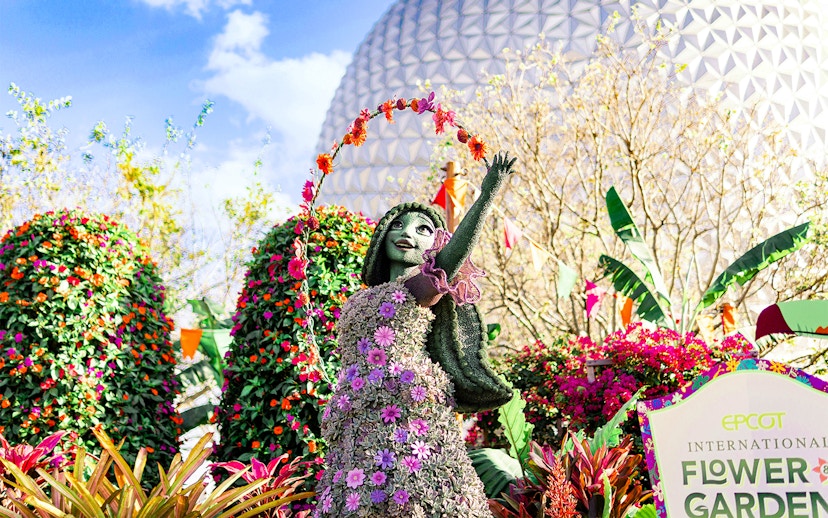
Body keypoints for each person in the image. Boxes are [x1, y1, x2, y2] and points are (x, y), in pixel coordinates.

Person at [314, 152, 517, 517]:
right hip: (356, 411)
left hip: (407, 408)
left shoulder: (418, 288)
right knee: (358, 494)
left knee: (412, 496)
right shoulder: (360, 297)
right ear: (383, 234)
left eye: (423, 228)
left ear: (434, 244)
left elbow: (451, 260)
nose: (408, 233)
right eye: (399, 225)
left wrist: (485, 197)